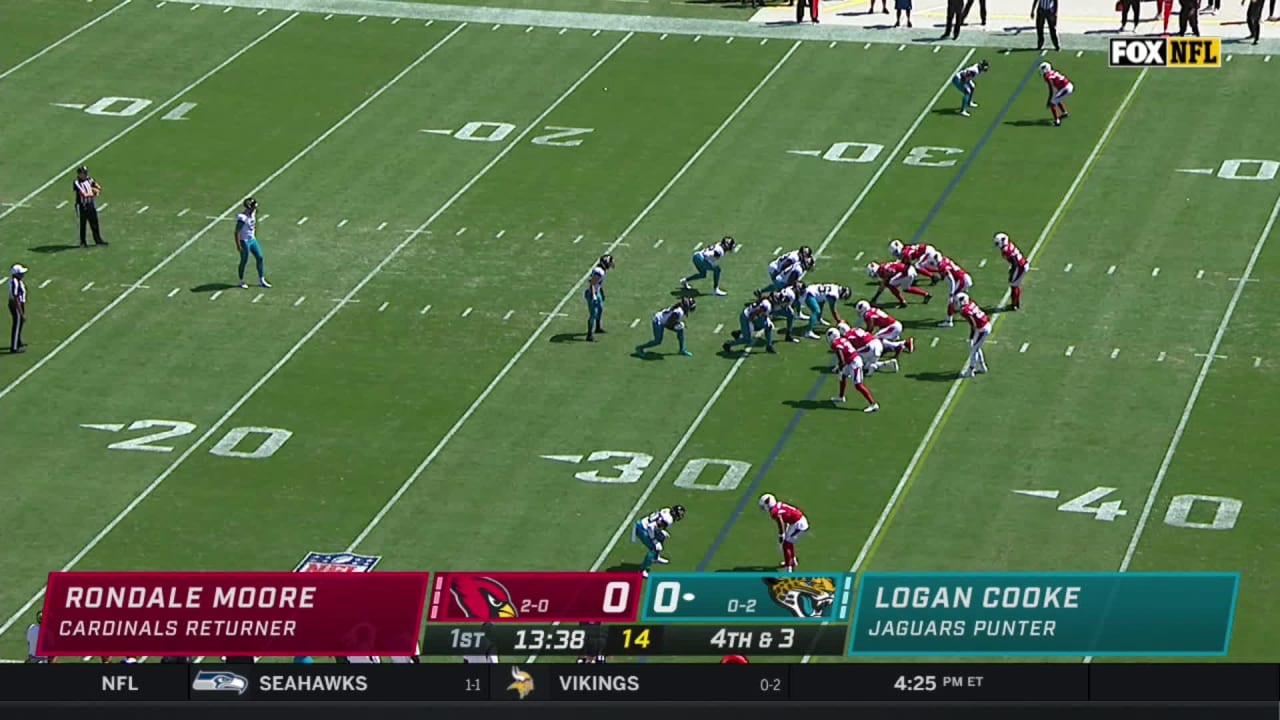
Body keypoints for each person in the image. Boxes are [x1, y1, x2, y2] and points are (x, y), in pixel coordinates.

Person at [234, 197, 271, 289]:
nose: (255, 209)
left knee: (260, 257)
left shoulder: (253, 213)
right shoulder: (242, 218)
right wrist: (238, 245)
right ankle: (241, 280)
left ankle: (261, 279)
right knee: (244, 260)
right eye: (253, 207)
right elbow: (237, 232)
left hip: (252, 239)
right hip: (244, 241)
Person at [73, 166, 107, 247]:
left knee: (94, 222)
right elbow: (83, 194)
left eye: (86, 172)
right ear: (79, 174)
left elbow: (98, 186)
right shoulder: (76, 182)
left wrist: (96, 189)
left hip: (91, 204)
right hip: (82, 205)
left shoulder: (89, 179)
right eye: (84, 173)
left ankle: (98, 240)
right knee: (83, 224)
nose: (85, 174)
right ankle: (83, 242)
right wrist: (94, 193)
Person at [9, 264, 26, 354]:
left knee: (19, 324)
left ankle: (18, 341)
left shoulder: (17, 281)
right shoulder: (15, 282)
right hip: (16, 305)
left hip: (18, 304)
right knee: (17, 325)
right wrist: (21, 312)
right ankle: (14, 347)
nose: (23, 275)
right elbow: (15, 297)